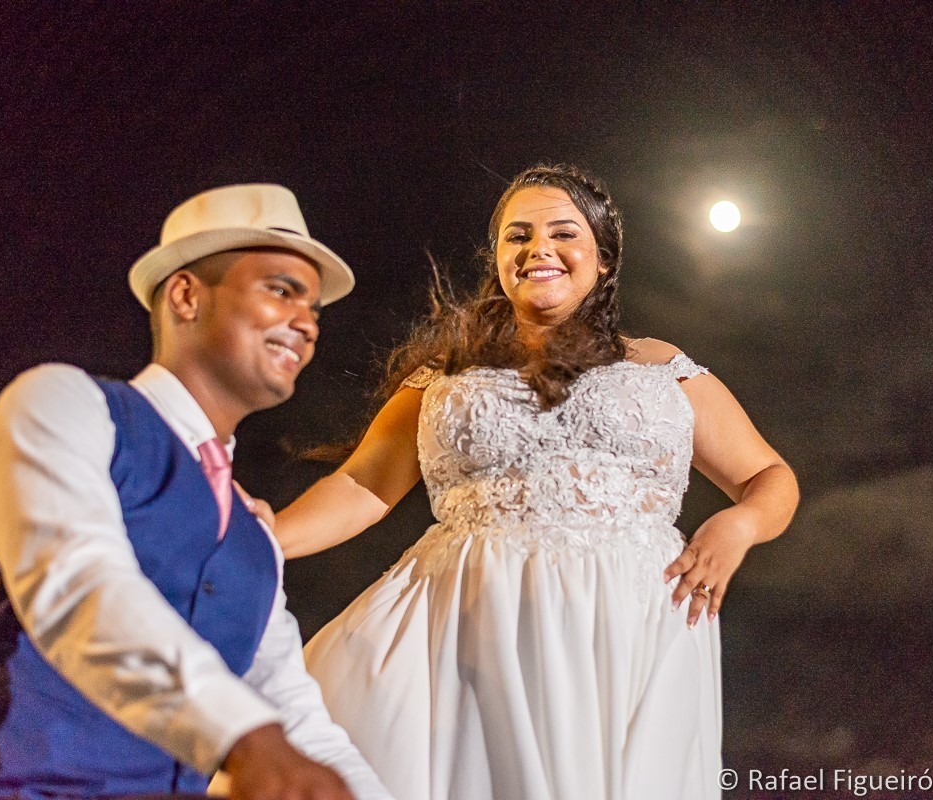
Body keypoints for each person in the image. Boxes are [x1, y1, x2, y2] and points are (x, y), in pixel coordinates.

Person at [272, 165, 800, 800]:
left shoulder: (662, 367)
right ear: (497, 261)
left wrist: (739, 526)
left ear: (602, 259)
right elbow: (363, 486)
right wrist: (262, 538)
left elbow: (768, 476)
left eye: (562, 232)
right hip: (469, 620)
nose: (537, 248)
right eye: (516, 236)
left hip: (634, 622)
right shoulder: (444, 377)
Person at [0, 184, 394, 800]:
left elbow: (295, 716)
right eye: (282, 289)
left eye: (315, 307)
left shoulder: (254, 538)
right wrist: (248, 739)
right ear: (184, 294)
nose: (307, 324)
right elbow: (77, 584)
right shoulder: (61, 404)